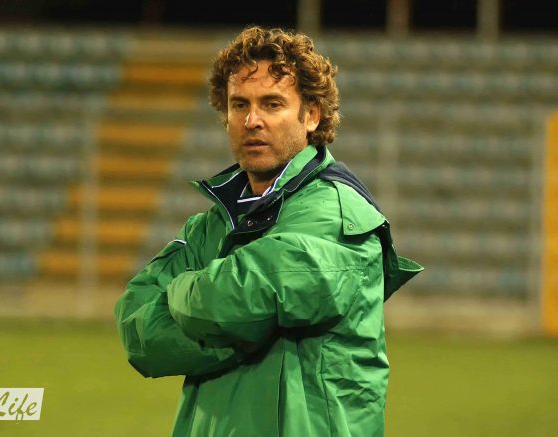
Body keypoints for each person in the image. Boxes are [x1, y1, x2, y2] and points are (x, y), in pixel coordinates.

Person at [115, 26, 422, 436]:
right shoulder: (211, 224)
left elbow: (245, 296)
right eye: (239, 104)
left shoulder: (337, 211)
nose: (252, 120)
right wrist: (244, 331)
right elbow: (137, 329)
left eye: (272, 104)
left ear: (311, 115)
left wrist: (180, 291)